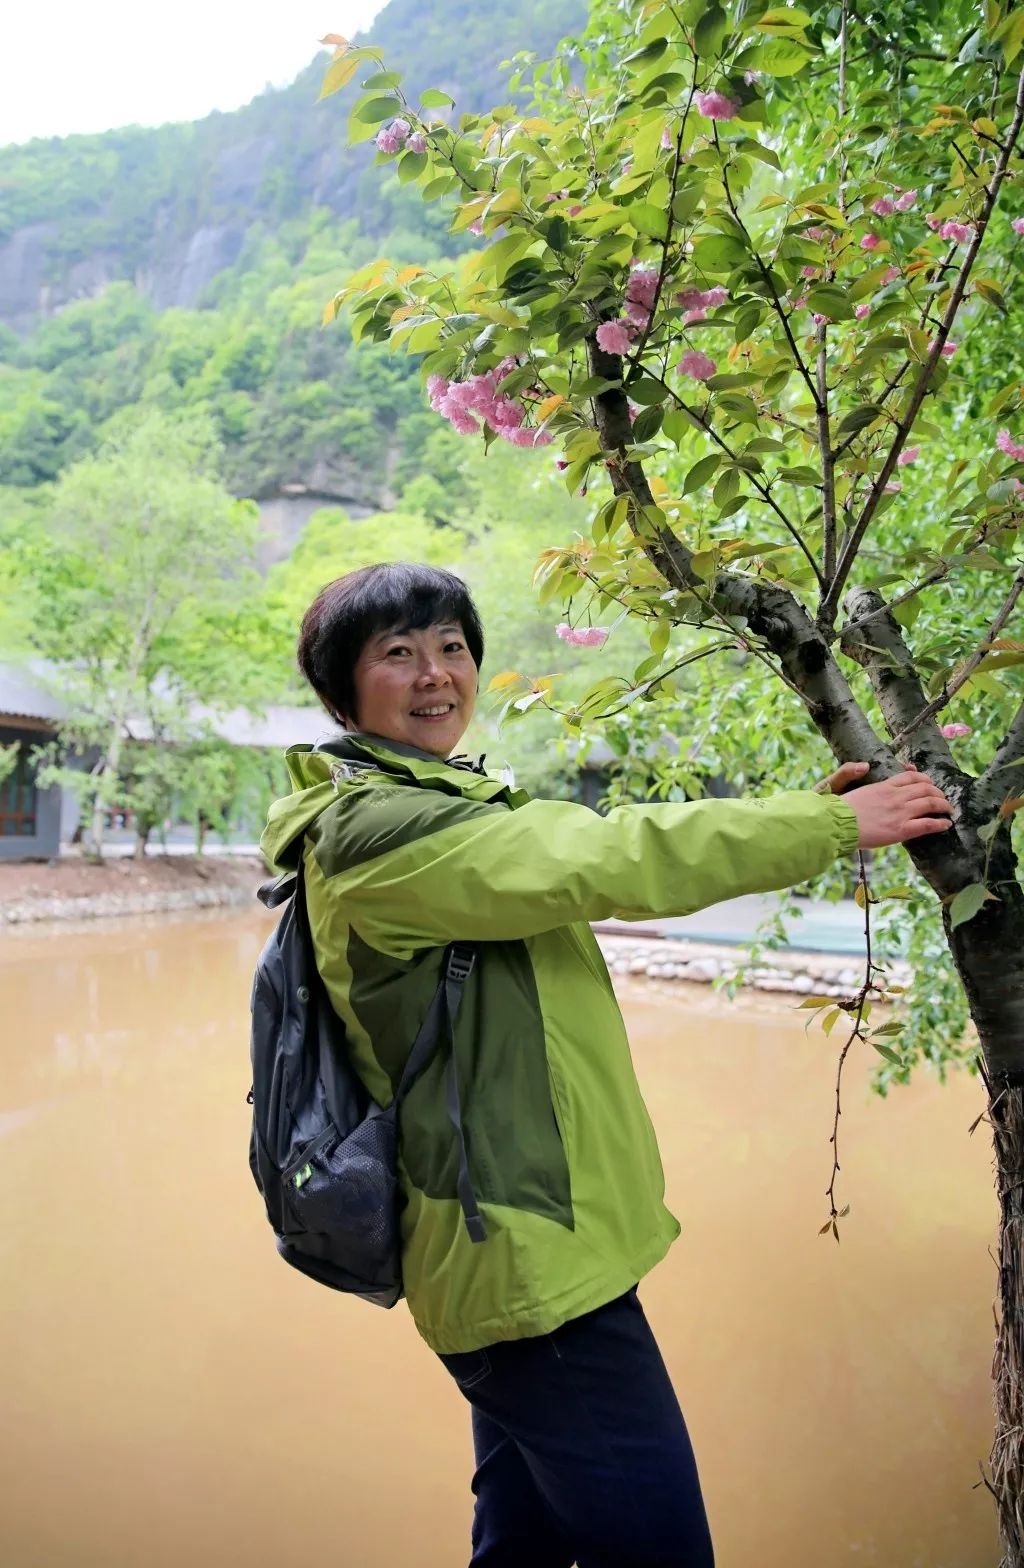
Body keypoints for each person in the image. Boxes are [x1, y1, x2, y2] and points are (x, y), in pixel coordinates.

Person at [261, 561, 953, 1568]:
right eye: (398, 652)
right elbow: (601, 855)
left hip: (519, 1249)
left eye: (452, 645)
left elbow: (566, 867)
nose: (436, 672)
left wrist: (809, 809)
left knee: (522, 1545)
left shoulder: (435, 801)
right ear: (343, 688)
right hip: (527, 1265)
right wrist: (822, 827)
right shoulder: (380, 831)